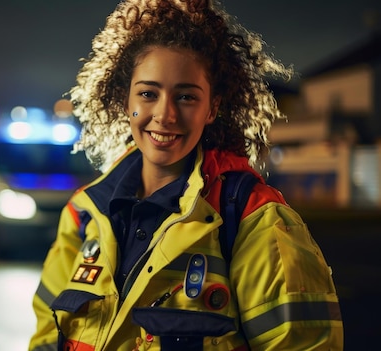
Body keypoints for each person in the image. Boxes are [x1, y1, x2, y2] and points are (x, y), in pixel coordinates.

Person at [28, 0, 344, 350]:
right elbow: (47, 334)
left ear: (214, 108)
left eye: (186, 97)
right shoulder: (84, 213)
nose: (165, 115)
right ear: (123, 100)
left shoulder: (254, 219)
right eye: (148, 94)